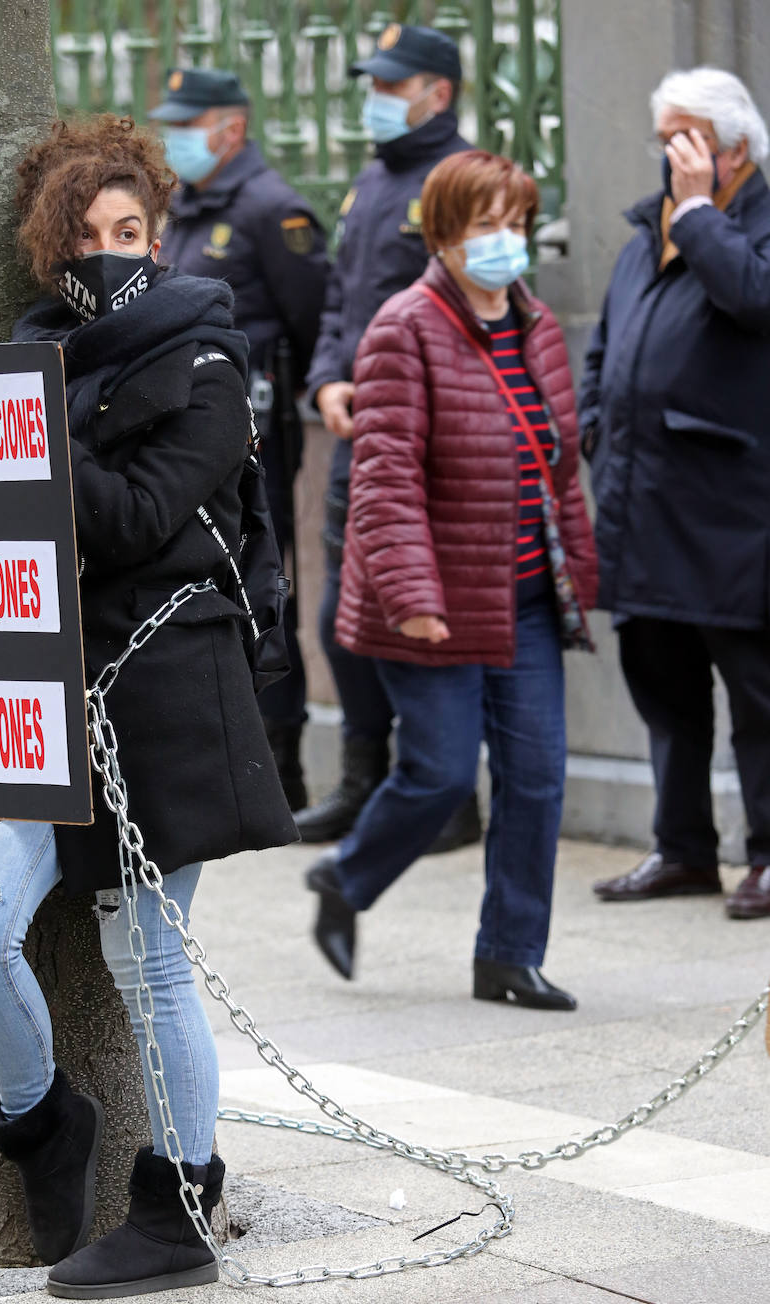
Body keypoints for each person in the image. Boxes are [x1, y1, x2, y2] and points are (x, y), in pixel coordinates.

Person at [0, 114, 297, 1298]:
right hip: (44, 706)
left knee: (149, 960)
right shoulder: (39, 362)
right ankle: (40, 1121)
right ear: (50, 255)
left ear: (159, 238)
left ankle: (179, 1207)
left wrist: (17, 414)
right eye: (83, 238)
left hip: (164, 692)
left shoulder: (211, 363)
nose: (109, 253)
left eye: (129, 230)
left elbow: (134, 519)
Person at [305, 149, 598, 1008]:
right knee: (437, 775)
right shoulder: (402, 328)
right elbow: (385, 480)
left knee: (536, 777)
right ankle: (346, 878)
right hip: (431, 601)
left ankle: (508, 953)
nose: (505, 240)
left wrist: (577, 574)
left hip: (525, 598)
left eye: (516, 222)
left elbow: (557, 469)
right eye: (484, 225)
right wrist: (411, 599)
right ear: (441, 234)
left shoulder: (536, 326)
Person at [582, 68, 770, 918]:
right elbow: (606, 344)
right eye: (664, 140)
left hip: (730, 511)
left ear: (735, 149)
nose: (670, 157)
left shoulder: (737, 226)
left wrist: (697, 214)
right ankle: (681, 847)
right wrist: (594, 424)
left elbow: (752, 298)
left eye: (685, 140)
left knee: (756, 694)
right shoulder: (645, 231)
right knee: (662, 685)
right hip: (642, 501)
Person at [295, 23, 481, 852]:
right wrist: (327, 381)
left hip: (430, 442)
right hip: (360, 434)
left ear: (437, 93)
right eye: (371, 84)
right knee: (345, 612)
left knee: (426, 616)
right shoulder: (371, 182)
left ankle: (445, 793)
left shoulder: (463, 180)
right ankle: (363, 780)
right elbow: (341, 300)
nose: (374, 99)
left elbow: (480, 312)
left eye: (390, 86)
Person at [147, 67, 329, 810]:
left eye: (189, 124)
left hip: (256, 434)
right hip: (182, 435)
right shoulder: (183, 208)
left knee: (261, 582)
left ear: (232, 128)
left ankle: (281, 761)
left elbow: (312, 321)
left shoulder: (272, 210)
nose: (175, 138)